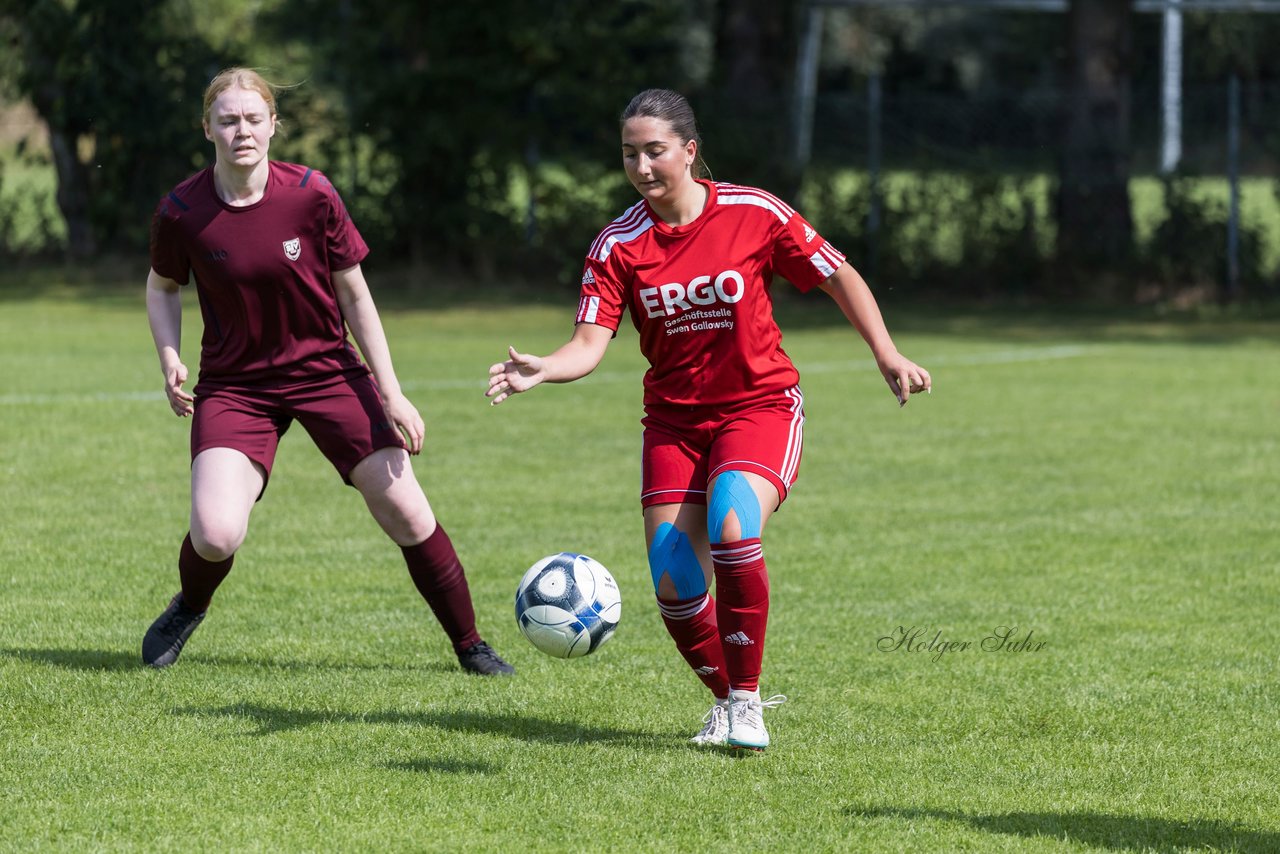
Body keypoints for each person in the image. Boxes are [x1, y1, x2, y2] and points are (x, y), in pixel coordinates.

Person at [487, 89, 930, 748]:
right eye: (630, 153)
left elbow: (839, 276)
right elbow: (588, 343)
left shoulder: (754, 213)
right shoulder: (617, 245)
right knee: (674, 584)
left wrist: (886, 352)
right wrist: (545, 368)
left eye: (654, 151)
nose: (641, 166)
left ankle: (747, 702)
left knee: (731, 523)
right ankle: (724, 700)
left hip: (760, 408)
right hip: (673, 424)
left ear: (689, 152)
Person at [143, 67, 512, 676]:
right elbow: (161, 288)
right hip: (237, 386)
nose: (242, 130)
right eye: (229, 119)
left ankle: (470, 645)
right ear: (207, 127)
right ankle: (190, 604)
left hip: (327, 370)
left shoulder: (312, 194)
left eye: (254, 119)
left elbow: (356, 296)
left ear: (273, 126)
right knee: (215, 533)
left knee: (408, 512)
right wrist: (169, 355)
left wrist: (390, 392)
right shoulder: (182, 210)